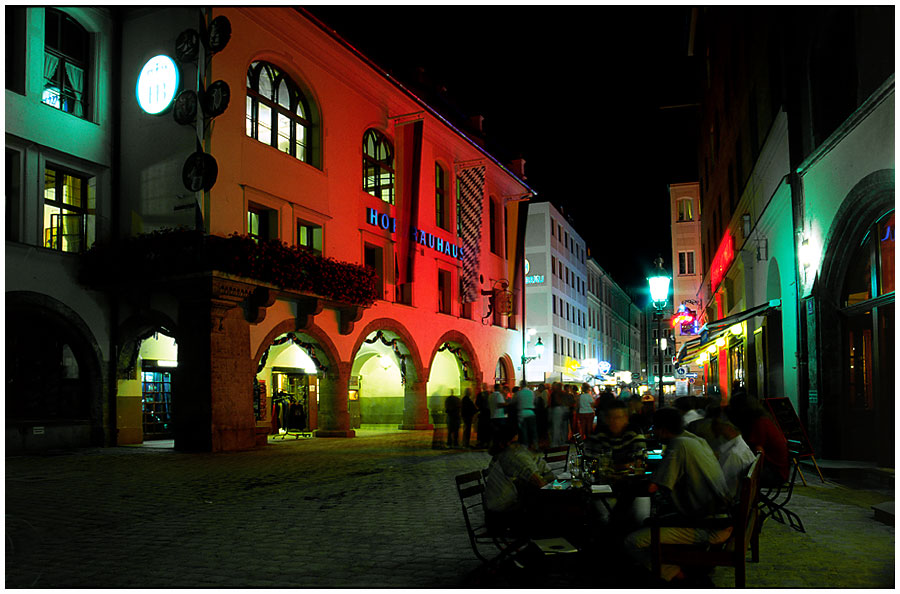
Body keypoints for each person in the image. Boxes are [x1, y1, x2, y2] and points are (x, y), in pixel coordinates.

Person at [624, 407, 733, 583]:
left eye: (654, 428)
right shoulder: (694, 439)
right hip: (719, 517)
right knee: (648, 520)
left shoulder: (678, 445)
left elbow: (653, 488)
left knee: (632, 541)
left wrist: (623, 484)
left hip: (708, 526)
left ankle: (680, 578)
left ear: (662, 429)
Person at [483, 423, 556, 535]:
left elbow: (543, 473)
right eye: (514, 443)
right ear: (503, 444)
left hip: (499, 509)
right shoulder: (511, 456)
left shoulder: (513, 453)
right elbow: (540, 483)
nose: (517, 446)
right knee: (549, 509)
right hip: (502, 514)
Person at [726, 392, 790, 487]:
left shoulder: (759, 423)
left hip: (774, 473)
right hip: (778, 470)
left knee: (732, 474)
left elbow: (758, 451)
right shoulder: (763, 420)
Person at [711, 417, 757, 499]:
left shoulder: (734, 454)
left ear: (728, 428)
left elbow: (719, 484)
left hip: (729, 499)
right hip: (739, 494)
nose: (714, 434)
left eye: (717, 429)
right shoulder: (740, 446)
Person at [514, 380, 538, 450]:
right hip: (531, 412)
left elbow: (513, 402)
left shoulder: (518, 393)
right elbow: (535, 401)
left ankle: (525, 447)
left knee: (523, 431)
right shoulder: (531, 393)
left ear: (521, 385)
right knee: (533, 430)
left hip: (522, 413)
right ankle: (535, 445)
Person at [549, 382, 568, 447]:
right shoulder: (564, 393)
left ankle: (555, 443)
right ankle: (562, 442)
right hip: (564, 409)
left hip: (557, 409)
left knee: (556, 427)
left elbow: (554, 402)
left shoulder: (555, 393)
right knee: (563, 427)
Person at [475, 383, 492, 448]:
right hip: (489, 413)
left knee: (482, 429)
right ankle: (487, 442)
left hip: (483, 414)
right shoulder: (490, 394)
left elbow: (477, 403)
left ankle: (481, 442)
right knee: (488, 429)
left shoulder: (480, 395)